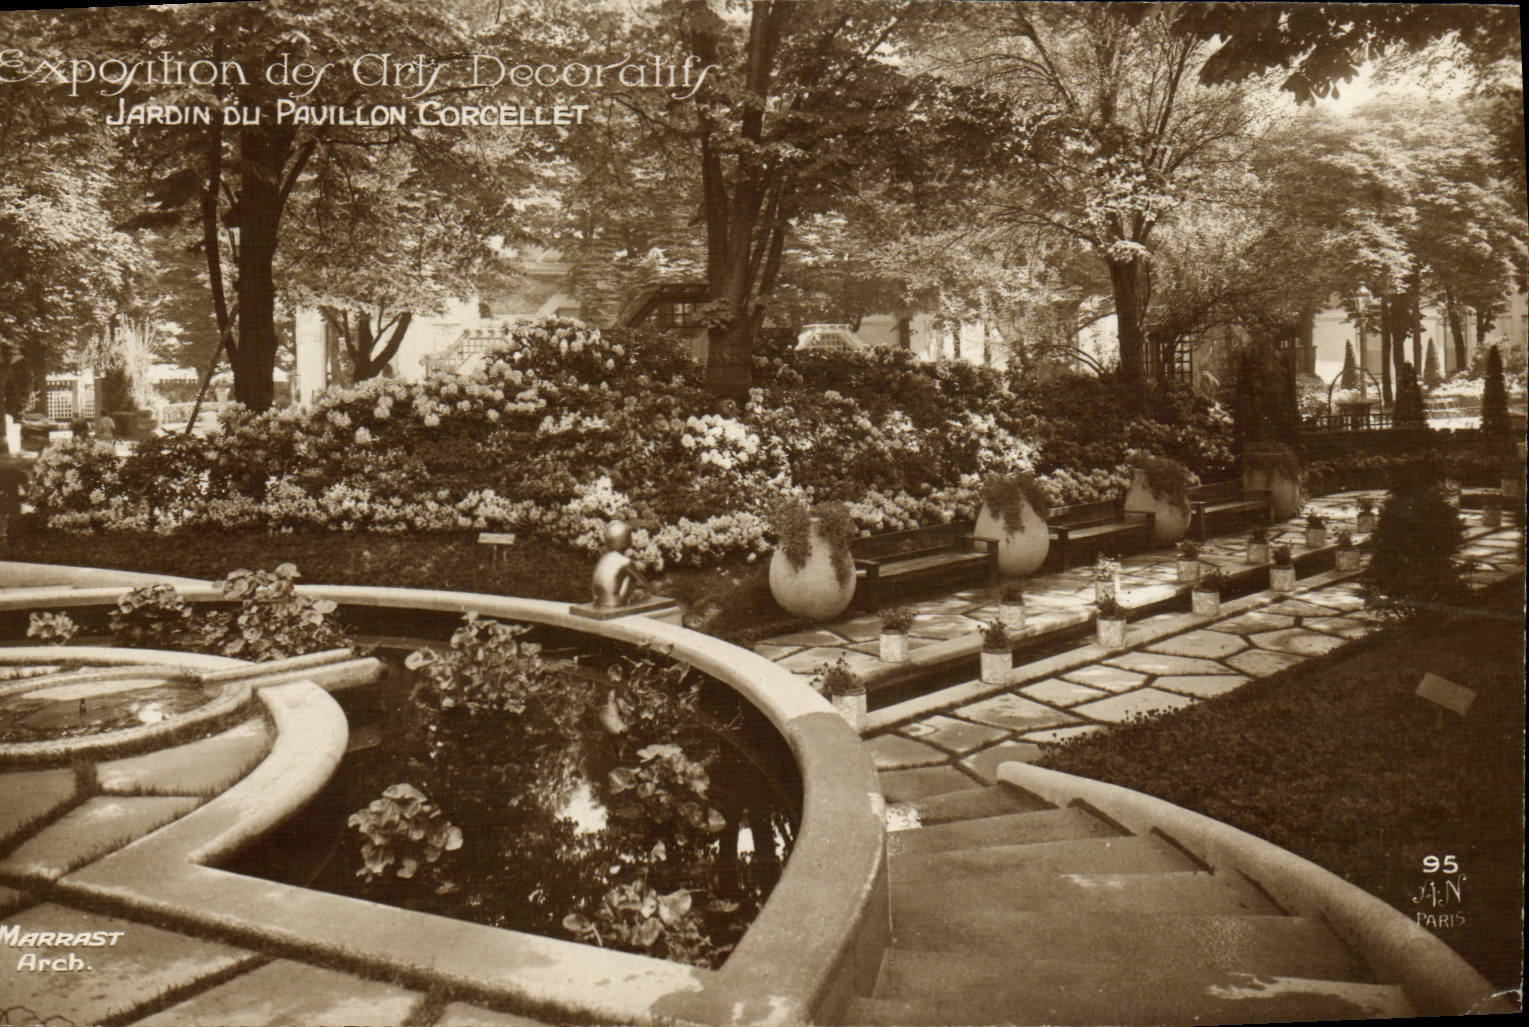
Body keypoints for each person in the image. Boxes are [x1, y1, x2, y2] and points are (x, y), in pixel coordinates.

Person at [590, 520, 650, 608]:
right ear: (625, 542)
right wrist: (641, 591)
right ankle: (626, 600)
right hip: (615, 602)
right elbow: (644, 583)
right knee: (631, 576)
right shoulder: (625, 561)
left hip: (598, 601)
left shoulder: (603, 558)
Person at [0, 443, 30, 548]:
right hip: (12, 500)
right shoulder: (15, 470)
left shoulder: (13, 470)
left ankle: (6, 540)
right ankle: (9, 540)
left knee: (6, 519)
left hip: (9, 499)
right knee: (12, 519)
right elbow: (25, 484)